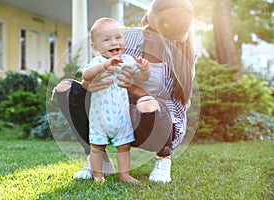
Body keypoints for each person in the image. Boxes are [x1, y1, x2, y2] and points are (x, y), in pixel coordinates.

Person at [54, 0, 197, 183]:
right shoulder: (126, 38)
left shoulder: (184, 57)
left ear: (167, 34)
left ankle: (163, 159)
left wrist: (136, 89)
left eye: (150, 25)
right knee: (66, 89)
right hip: (114, 112)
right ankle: (98, 159)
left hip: (151, 125)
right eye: (147, 15)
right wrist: (88, 84)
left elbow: (176, 106)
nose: (143, 22)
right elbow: (96, 67)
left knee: (149, 104)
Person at [82, 17, 150, 182]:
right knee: (97, 148)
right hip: (100, 119)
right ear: (95, 46)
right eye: (106, 39)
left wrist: (144, 69)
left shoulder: (127, 60)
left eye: (118, 38)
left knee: (124, 148)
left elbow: (144, 77)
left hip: (121, 117)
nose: (114, 42)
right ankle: (98, 175)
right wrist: (104, 66)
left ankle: (124, 175)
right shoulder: (97, 62)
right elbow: (86, 75)